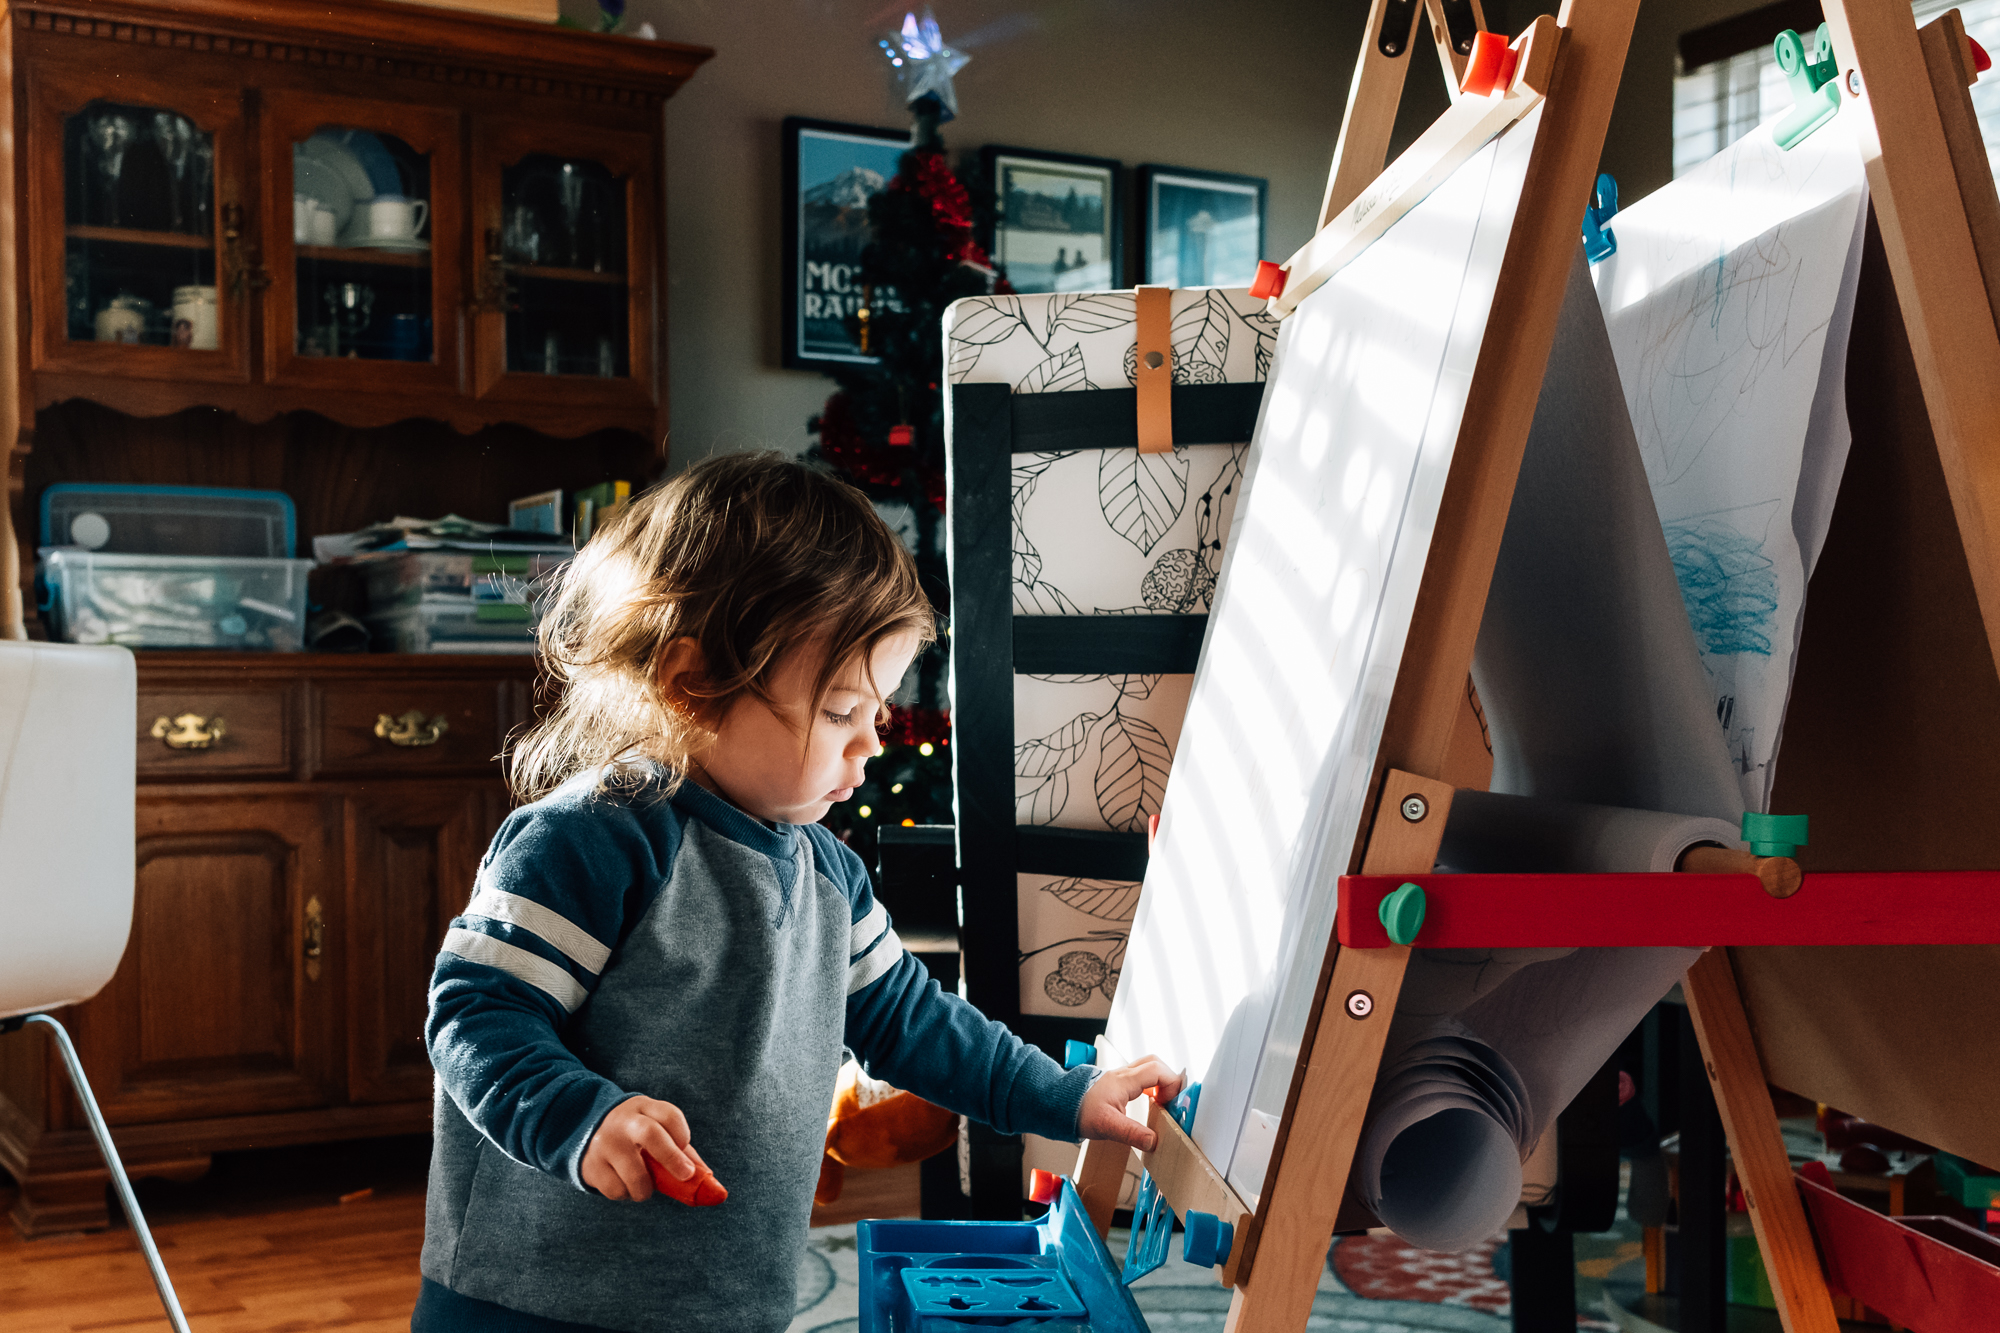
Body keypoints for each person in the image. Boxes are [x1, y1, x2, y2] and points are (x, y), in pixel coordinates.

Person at [414, 452, 1179, 1333]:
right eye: (838, 711)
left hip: (724, 1300)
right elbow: (477, 1013)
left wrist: (1064, 1093)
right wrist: (582, 1119)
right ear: (691, 682)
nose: (868, 747)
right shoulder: (594, 835)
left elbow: (912, 1021)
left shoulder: (828, 872)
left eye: (877, 713)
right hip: (533, 1302)